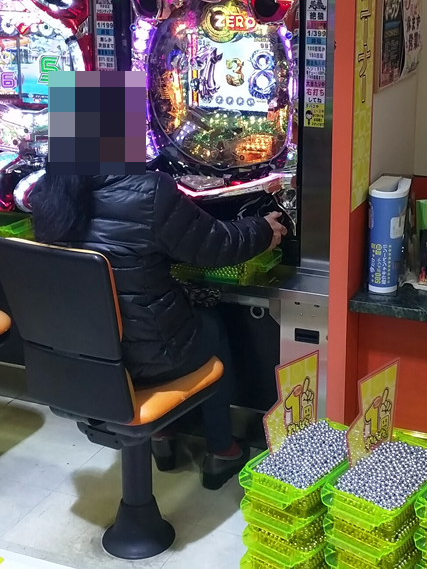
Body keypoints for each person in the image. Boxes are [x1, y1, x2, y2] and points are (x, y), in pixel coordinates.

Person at [29, 171, 287, 489]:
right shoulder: (149, 192)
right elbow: (217, 245)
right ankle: (222, 449)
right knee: (210, 326)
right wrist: (263, 228)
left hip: (81, 356)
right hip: (150, 358)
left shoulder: (47, 192)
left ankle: (163, 434)